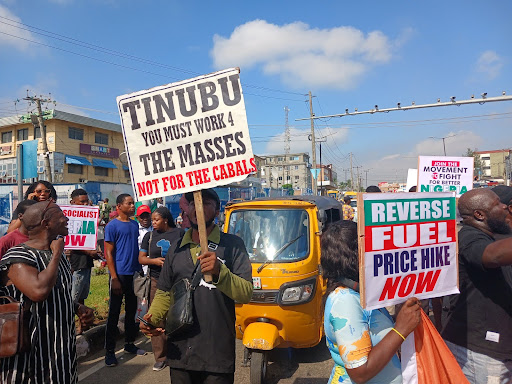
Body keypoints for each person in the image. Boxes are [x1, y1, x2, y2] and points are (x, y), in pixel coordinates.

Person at [140, 188, 253, 384]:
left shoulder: (233, 245)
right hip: (180, 351)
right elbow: (165, 292)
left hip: (217, 351)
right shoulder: (176, 247)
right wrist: (153, 318)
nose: (197, 208)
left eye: (205, 203)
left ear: (217, 212)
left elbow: (245, 292)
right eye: (192, 203)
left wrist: (220, 272)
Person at [0, 201, 94, 383]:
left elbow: (56, 291)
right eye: (61, 216)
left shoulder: (54, 255)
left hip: (61, 355)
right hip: (31, 361)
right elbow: (38, 291)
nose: (66, 219)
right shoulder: (18, 256)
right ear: (46, 223)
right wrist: (57, 255)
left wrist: (76, 307)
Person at [321, 220, 421, 384]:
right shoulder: (345, 301)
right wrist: (400, 329)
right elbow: (360, 373)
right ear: (354, 254)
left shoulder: (359, 293)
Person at [441, 188, 512, 383]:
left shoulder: (497, 232)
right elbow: (492, 255)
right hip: (481, 353)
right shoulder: (468, 237)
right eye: (497, 204)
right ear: (479, 214)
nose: (505, 206)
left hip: (499, 347)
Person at [138, 206, 184, 371]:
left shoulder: (180, 234)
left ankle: (179, 352)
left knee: (179, 315)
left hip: (178, 281)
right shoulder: (149, 236)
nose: (153, 222)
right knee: (155, 318)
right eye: (153, 220)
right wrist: (155, 261)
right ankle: (161, 356)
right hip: (157, 281)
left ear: (165, 219)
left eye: (156, 219)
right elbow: (141, 258)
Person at [104, 193, 146, 367]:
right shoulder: (112, 226)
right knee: (114, 314)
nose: (132, 206)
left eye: (132, 203)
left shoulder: (135, 224)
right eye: (129, 204)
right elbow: (108, 253)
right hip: (118, 274)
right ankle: (109, 352)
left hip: (133, 274)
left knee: (131, 312)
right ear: (119, 206)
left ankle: (129, 344)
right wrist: (114, 277)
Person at [67, 188, 100, 334]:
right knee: (72, 299)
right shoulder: (68, 220)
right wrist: (89, 252)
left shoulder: (88, 218)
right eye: (82, 201)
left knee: (81, 297)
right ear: (72, 202)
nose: (86, 204)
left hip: (86, 263)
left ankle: (83, 324)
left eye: (87, 201)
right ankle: (71, 327)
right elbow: (71, 244)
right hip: (76, 264)